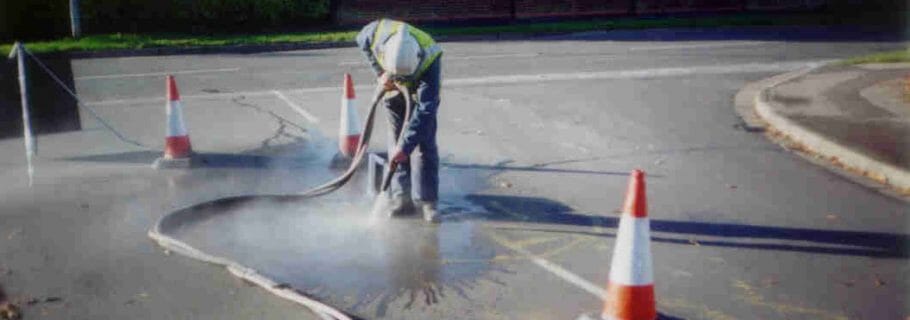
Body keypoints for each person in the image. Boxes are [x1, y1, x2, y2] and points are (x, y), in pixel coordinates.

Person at [356, 19, 443, 223]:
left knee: (424, 144)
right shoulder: (375, 34)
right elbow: (361, 41)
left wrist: (406, 146)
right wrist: (380, 73)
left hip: (420, 89)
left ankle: (428, 202)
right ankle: (402, 200)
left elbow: (426, 109)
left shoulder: (430, 57)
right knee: (396, 143)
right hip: (391, 89)